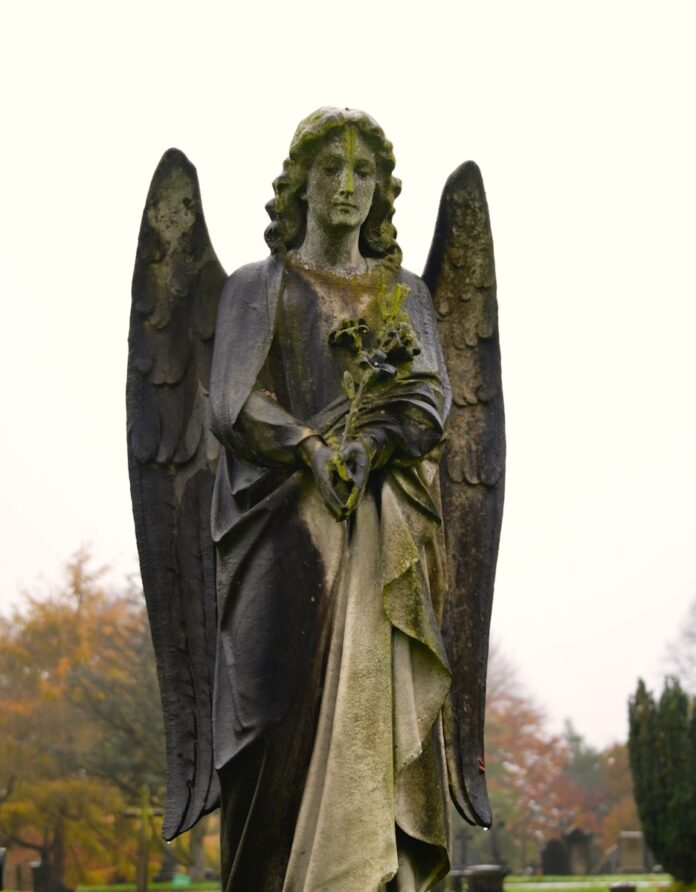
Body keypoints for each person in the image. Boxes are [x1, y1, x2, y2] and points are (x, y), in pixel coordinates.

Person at [208, 107, 454, 892]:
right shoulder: (259, 287)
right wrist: (310, 447)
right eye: (329, 169)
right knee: (268, 721)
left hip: (379, 539)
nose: (346, 186)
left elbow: (431, 401)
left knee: (369, 734)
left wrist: (371, 442)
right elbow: (232, 402)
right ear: (301, 184)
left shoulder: (403, 293)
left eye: (362, 172)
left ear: (381, 191)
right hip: (280, 539)